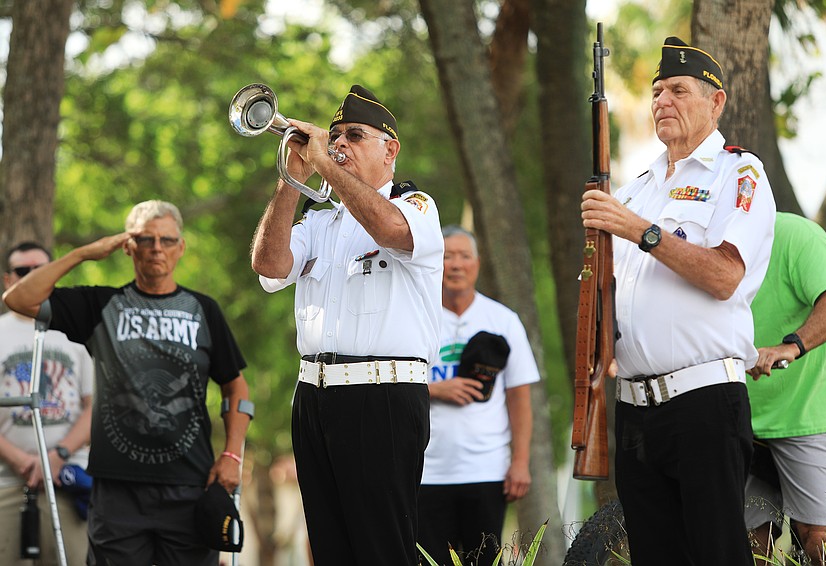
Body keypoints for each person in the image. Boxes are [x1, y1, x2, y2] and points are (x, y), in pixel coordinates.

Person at [580, 37, 776, 565]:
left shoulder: (738, 174)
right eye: (657, 90)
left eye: (679, 90)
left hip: (704, 403)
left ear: (716, 102)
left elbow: (724, 277)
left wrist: (642, 233)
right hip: (636, 410)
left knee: (716, 553)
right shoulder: (636, 189)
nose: (663, 99)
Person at [250, 85, 443, 566]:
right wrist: (290, 181)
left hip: (382, 399)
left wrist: (329, 167)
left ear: (390, 149)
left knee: (382, 549)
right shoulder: (321, 221)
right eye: (334, 136)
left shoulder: (416, 206)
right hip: (314, 398)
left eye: (354, 135)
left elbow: (390, 232)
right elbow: (270, 266)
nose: (338, 144)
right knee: (329, 548)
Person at [2, 201, 251, 566]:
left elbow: (236, 388)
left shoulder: (203, 310)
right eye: (145, 239)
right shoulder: (101, 304)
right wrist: (86, 253)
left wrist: (231, 455)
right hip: (116, 491)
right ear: (127, 246)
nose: (156, 248)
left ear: (180, 247)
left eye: (167, 240)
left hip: (189, 485)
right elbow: (19, 298)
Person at [417, 225, 538, 566]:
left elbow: (519, 396)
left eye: (464, 256)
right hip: (425, 472)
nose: (456, 265)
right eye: (446, 256)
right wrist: (435, 389)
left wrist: (520, 462)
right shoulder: (415, 318)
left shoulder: (503, 320)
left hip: (486, 470)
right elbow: (391, 384)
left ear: (477, 263)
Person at [745, 212, 826, 565]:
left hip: (803, 414)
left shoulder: (795, 235)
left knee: (821, 541)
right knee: (751, 543)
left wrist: (790, 347)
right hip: (734, 415)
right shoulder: (695, 240)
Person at [0, 242, 94, 565]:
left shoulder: (75, 331)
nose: (32, 277)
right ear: (7, 280)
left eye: (40, 269)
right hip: (7, 481)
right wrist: (22, 461)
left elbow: (94, 406)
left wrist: (58, 456)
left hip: (67, 478)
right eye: (23, 271)